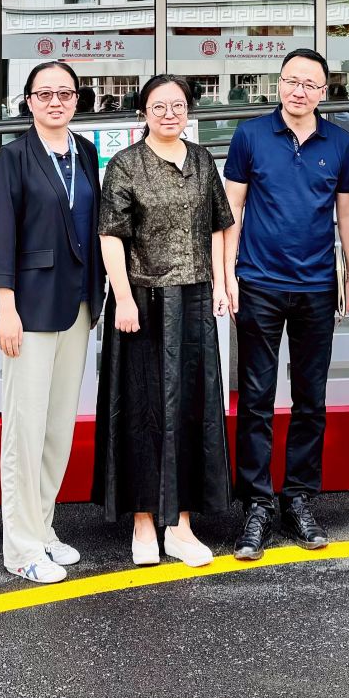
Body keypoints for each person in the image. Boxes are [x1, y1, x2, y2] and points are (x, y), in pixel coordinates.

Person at [221, 48, 349, 560]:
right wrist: (228, 275)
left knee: (310, 399)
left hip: (317, 287)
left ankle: (298, 497)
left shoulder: (340, 143)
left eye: (309, 84)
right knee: (256, 399)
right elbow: (232, 208)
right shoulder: (250, 135)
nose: (298, 91)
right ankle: (257, 504)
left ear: (324, 91)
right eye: (290, 81)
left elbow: (346, 216)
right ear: (278, 84)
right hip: (258, 282)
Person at [95, 72, 234, 567]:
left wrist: (222, 284)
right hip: (143, 301)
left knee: (191, 409)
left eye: (178, 106)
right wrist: (123, 297)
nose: (170, 114)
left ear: (189, 111)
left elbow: (218, 227)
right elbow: (110, 236)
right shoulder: (125, 164)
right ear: (143, 113)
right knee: (142, 409)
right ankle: (142, 521)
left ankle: (180, 524)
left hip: (194, 299)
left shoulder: (201, 159)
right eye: (159, 106)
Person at [0, 60, 104, 586]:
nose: (55, 102)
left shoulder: (85, 152)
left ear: (77, 99)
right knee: (25, 429)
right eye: (44, 94)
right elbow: (2, 235)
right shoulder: (13, 157)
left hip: (78, 303)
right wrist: (6, 307)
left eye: (65, 93)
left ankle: (44, 526)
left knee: (57, 428)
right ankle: (21, 547)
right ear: (29, 101)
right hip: (30, 307)